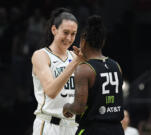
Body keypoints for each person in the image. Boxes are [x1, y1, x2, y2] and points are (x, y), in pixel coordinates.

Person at [63, 15, 125, 135]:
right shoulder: (116, 66)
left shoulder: (84, 69)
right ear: (103, 41)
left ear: (83, 40)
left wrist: (67, 107)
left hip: (94, 129)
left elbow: (79, 107)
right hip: (116, 129)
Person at [31, 7, 84, 135]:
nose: (69, 38)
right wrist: (75, 63)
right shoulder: (41, 55)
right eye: (65, 32)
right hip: (49, 125)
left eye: (73, 34)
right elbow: (51, 91)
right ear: (54, 30)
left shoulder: (76, 57)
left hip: (73, 126)